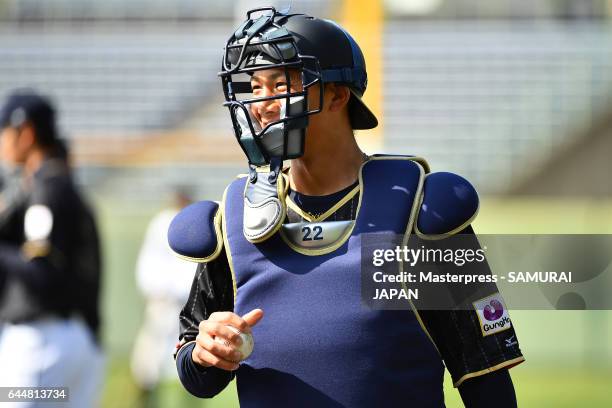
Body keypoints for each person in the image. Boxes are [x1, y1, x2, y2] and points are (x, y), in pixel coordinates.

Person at [171, 8, 524, 407]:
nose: (261, 104)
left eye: (282, 85)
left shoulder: (420, 212)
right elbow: (197, 376)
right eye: (254, 87)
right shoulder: (233, 220)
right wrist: (206, 354)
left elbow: (485, 377)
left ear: (338, 95)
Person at [0, 90, 104, 407]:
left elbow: (41, 274)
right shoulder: (56, 183)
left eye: (5, 130)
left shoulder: (47, 186)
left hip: (41, 346)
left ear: (26, 132)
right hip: (73, 342)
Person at [130, 187, 197, 407]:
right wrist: (159, 291)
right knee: (148, 362)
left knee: (193, 360)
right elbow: (148, 265)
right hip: (164, 303)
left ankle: (191, 401)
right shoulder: (162, 223)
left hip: (189, 305)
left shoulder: (197, 223)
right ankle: (145, 401)